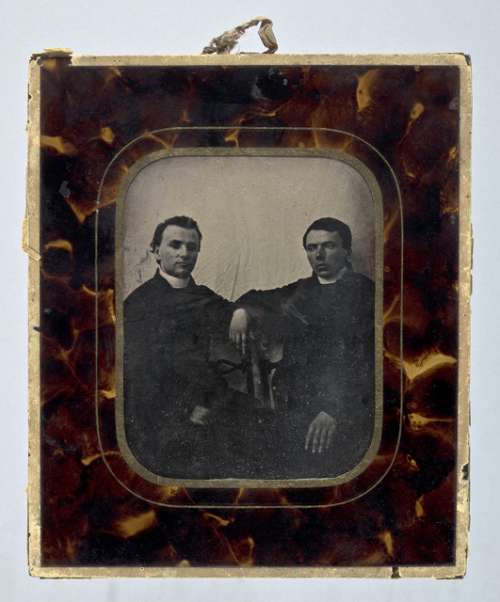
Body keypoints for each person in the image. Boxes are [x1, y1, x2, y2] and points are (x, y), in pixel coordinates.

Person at [230, 217, 375, 478]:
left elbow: (367, 361)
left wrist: (333, 410)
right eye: (311, 247)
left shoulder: (366, 293)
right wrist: (241, 312)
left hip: (343, 407)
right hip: (294, 403)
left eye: (328, 246)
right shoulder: (302, 290)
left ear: (347, 251)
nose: (319, 255)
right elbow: (256, 297)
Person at [124, 216, 243, 478]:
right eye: (175, 245)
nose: (184, 253)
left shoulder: (202, 295)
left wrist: (239, 313)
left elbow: (225, 308)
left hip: (210, 399)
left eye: (192, 247)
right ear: (156, 251)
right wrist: (191, 408)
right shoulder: (138, 304)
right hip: (165, 415)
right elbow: (140, 376)